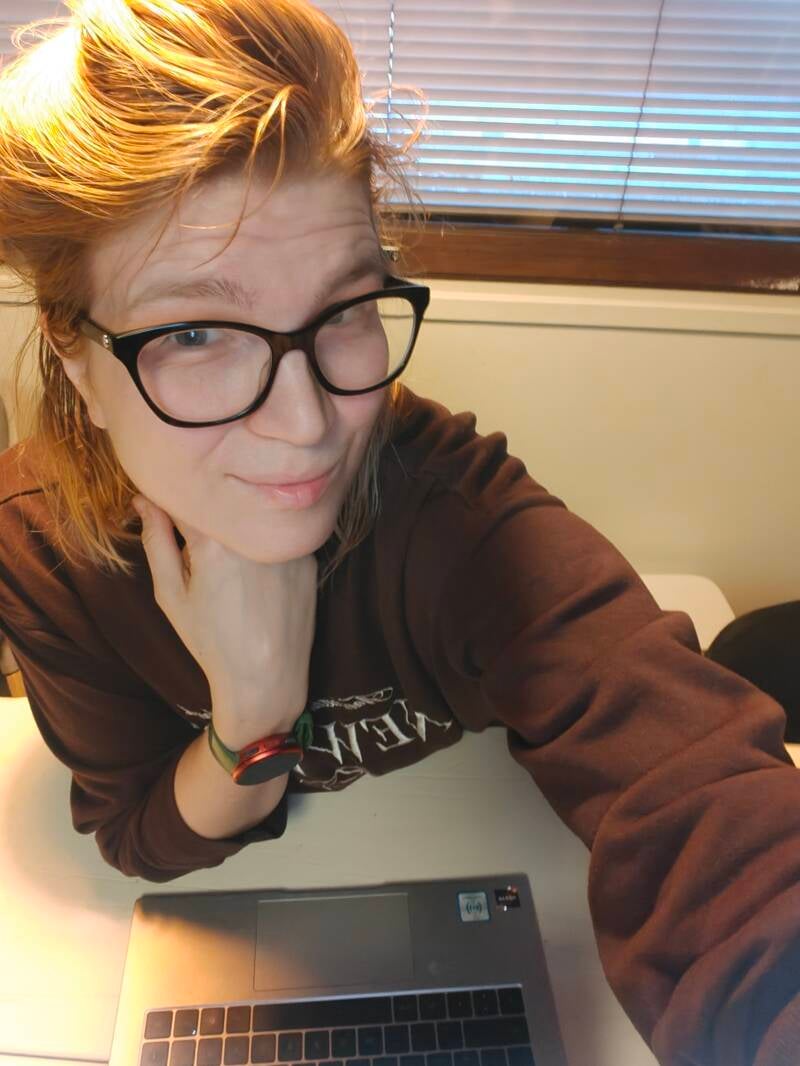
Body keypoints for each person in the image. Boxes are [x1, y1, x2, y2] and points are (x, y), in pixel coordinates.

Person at [0, 2, 798, 1064]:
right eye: (194, 333)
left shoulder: (449, 514)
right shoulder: (41, 552)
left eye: (344, 309)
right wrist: (253, 714)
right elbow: (139, 833)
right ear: (74, 356)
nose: (307, 423)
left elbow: (694, 795)